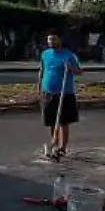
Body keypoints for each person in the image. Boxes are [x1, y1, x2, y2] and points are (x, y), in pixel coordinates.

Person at [37, 32, 83, 160]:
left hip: (65, 93)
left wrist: (71, 68)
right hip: (48, 92)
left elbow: (79, 72)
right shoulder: (45, 54)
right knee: (52, 121)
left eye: (54, 39)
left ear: (60, 40)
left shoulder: (68, 55)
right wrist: (39, 85)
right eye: (49, 40)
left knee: (63, 122)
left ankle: (63, 147)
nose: (51, 42)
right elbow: (42, 69)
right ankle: (54, 143)